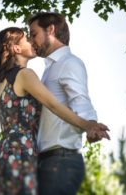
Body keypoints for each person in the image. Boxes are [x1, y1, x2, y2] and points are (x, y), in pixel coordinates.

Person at [0, 27, 109, 195]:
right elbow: (53, 105)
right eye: (27, 39)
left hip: (4, 153)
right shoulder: (25, 75)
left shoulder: (1, 84)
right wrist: (87, 125)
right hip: (22, 152)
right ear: (16, 48)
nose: (32, 41)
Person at [28, 12, 110, 195]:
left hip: (60, 162)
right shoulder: (49, 69)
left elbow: (81, 101)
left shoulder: (69, 63)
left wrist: (91, 126)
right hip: (49, 162)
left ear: (50, 29)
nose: (31, 41)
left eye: (33, 34)